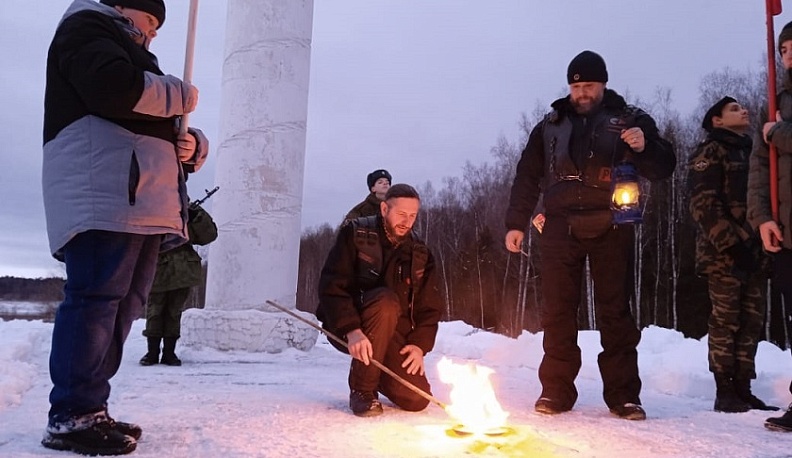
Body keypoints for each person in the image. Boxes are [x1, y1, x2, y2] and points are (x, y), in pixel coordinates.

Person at [41, 0, 208, 454]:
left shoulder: (134, 54)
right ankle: (71, 413)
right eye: (149, 21)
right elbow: (112, 88)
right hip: (104, 192)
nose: (152, 34)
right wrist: (179, 95)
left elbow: (161, 128)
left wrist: (191, 145)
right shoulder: (87, 27)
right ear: (121, 6)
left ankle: (91, 407)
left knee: (123, 305)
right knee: (96, 300)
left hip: (140, 199)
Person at [504, 50, 675, 421]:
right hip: (559, 225)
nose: (582, 93)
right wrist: (515, 223)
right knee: (558, 312)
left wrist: (644, 146)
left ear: (603, 84)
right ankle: (556, 391)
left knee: (615, 313)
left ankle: (624, 396)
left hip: (612, 222)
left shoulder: (631, 119)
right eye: (576, 86)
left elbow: (664, 166)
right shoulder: (549, 124)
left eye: (589, 86)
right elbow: (526, 175)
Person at [317, 183, 443, 417]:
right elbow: (331, 286)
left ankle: (377, 373)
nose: (407, 221)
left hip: (393, 331)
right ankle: (363, 390)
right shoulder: (356, 235)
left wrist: (418, 345)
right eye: (401, 214)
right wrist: (351, 329)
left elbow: (430, 308)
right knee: (386, 301)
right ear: (384, 209)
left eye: (413, 216)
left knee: (417, 398)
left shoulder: (420, 253)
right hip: (352, 325)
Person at [688, 97, 777, 413]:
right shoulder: (709, 152)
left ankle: (743, 386)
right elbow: (703, 204)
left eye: (743, 107)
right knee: (726, 320)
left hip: (756, 250)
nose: (744, 111)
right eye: (734, 109)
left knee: (752, 319)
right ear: (717, 120)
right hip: (723, 254)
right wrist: (732, 244)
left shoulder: (755, 152)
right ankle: (723, 388)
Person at [749, 21, 792, 432]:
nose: (789, 54)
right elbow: (760, 170)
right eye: (784, 49)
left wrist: (779, 132)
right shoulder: (774, 103)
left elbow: (776, 141)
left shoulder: (776, 120)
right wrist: (762, 217)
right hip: (788, 232)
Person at [139, 202, 218, 367]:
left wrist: (195, 216)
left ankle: (169, 353)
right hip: (158, 267)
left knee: (174, 312)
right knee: (155, 311)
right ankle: (152, 352)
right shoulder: (152, 209)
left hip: (181, 269)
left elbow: (207, 236)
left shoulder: (187, 211)